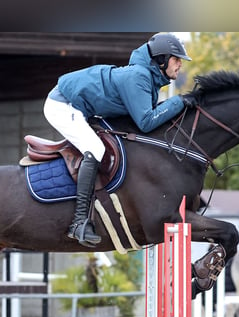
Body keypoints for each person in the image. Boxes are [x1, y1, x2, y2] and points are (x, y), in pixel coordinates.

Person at [44, 33, 194, 247]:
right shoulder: (138, 76)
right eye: (176, 59)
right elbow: (146, 122)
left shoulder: (148, 79)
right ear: (161, 60)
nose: (180, 65)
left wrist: (179, 103)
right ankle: (79, 223)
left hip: (81, 107)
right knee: (95, 149)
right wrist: (179, 101)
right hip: (62, 104)